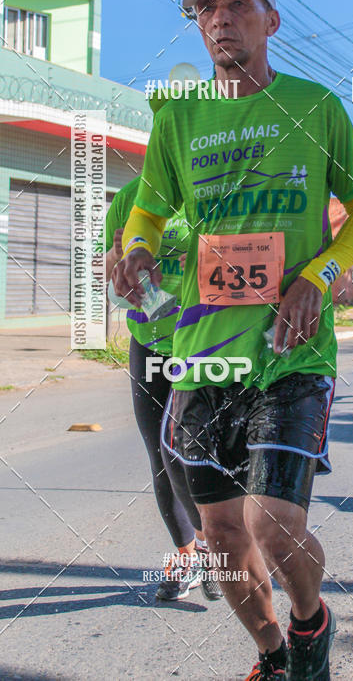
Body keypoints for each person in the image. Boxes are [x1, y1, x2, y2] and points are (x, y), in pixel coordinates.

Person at [112, 0, 353, 680]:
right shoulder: (179, 119)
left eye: (237, 5)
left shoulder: (316, 106)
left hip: (289, 353)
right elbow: (146, 210)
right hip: (204, 356)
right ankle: (271, 655)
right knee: (222, 533)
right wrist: (136, 249)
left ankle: (309, 626)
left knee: (274, 524)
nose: (220, 18)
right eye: (207, 10)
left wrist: (317, 276)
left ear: (271, 21)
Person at [104, 174, 222, 603]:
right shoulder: (130, 197)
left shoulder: (210, 185)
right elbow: (108, 276)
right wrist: (119, 255)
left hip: (206, 343)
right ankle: (189, 554)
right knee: (160, 452)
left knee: (195, 452)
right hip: (150, 342)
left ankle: (218, 547)